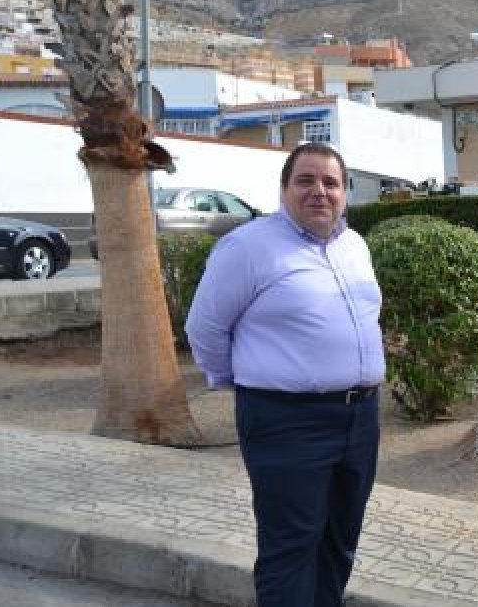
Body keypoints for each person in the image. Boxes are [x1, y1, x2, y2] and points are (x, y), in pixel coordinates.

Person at [185, 142, 385, 607]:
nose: (320, 192)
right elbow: (206, 328)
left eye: (331, 183)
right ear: (284, 189)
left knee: (339, 541)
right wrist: (247, 382)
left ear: (344, 193)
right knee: (290, 547)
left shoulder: (354, 246)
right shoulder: (249, 247)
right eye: (306, 181)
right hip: (286, 419)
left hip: (360, 419)